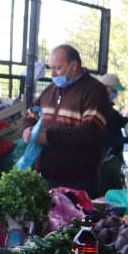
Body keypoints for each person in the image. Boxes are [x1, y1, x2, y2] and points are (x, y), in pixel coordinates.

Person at [20, 44, 110, 196]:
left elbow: (91, 129)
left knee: (76, 218)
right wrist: (26, 129)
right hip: (45, 175)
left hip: (78, 179)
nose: (53, 73)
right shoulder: (49, 91)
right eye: (51, 68)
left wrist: (48, 136)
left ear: (73, 65)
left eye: (58, 68)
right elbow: (31, 115)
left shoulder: (94, 90)